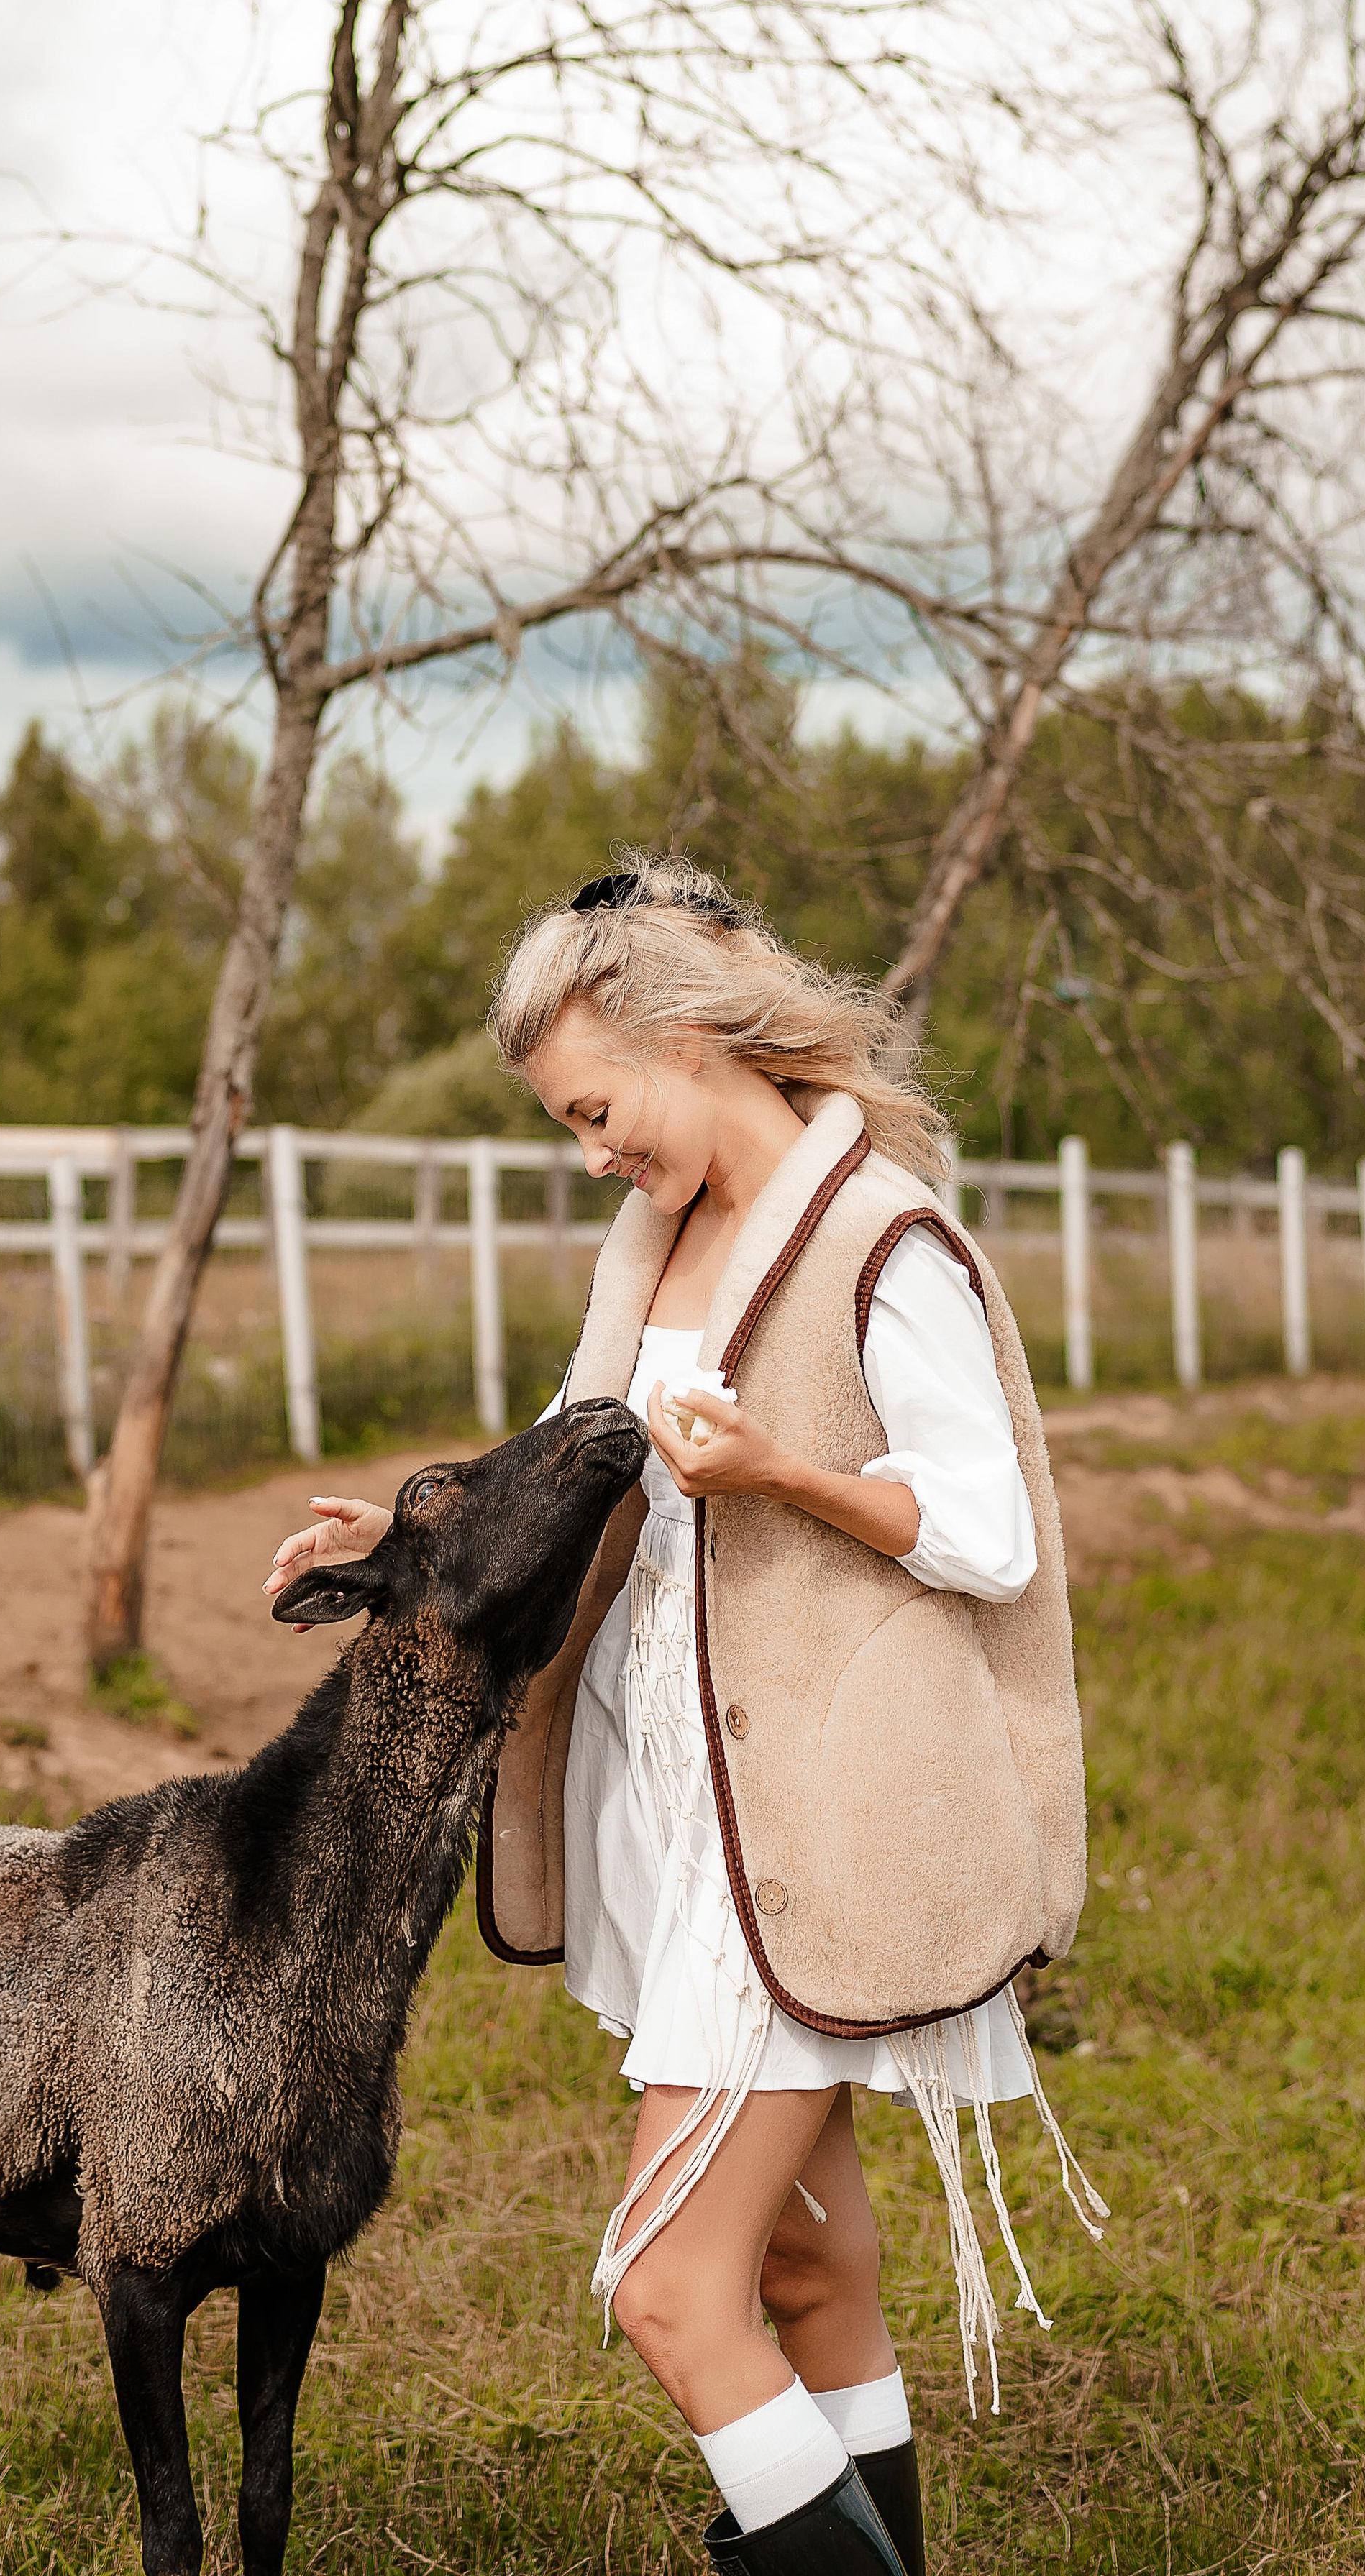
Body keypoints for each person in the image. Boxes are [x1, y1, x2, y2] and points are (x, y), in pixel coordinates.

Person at [264, 858, 1102, 2575]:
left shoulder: (884, 1240)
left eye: (593, 1107)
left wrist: (785, 1473)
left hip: (804, 1824)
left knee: (663, 2290)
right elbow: (572, 1474)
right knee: (800, 2274)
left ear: (680, 1035)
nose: (590, 1151)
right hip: (683, 1807)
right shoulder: (648, 1240)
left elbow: (988, 1530)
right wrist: (399, 1538)